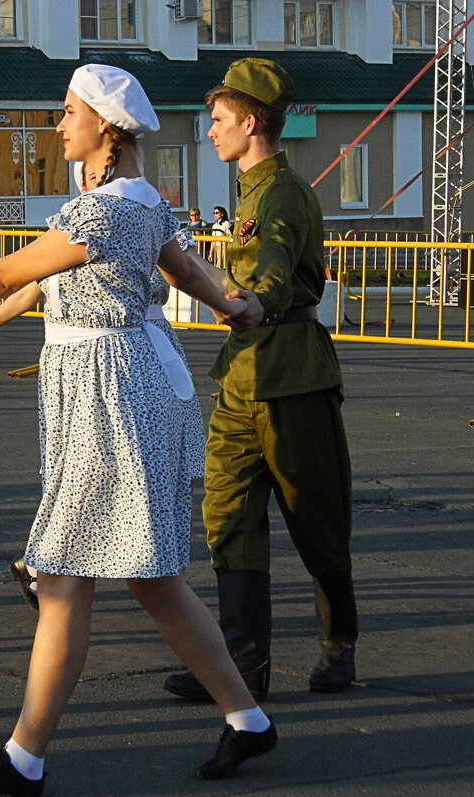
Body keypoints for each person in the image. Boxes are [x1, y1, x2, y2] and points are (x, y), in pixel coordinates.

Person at [0, 63, 277, 797]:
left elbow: (0, 276)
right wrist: (234, 305)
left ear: (107, 127)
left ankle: (24, 757)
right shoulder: (130, 201)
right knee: (151, 576)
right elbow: (182, 268)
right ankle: (248, 719)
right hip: (113, 388)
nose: (59, 124)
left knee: (62, 575)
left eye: (69, 112)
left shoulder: (109, 212)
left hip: (113, 395)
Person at [162, 58, 358, 705]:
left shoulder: (278, 195)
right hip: (244, 373)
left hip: (290, 374)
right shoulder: (249, 190)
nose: (209, 129)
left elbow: (271, 267)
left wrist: (255, 301)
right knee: (227, 515)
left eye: (218, 119)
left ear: (251, 122)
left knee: (315, 518)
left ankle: (339, 644)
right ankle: (242, 664)